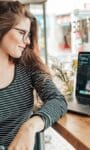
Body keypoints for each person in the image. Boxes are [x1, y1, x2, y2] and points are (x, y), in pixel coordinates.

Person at [0, 1, 67, 149]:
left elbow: (58, 100)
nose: (27, 41)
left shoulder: (28, 66)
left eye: (28, 34)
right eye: (21, 33)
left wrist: (29, 127)